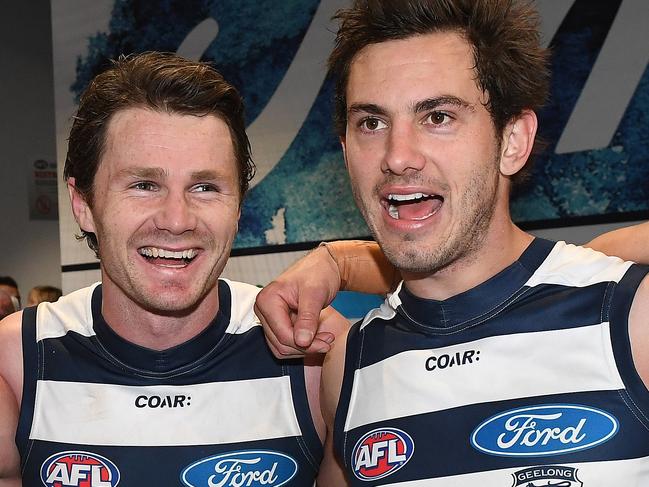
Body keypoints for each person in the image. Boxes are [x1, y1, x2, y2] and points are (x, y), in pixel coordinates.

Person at [256, 1, 649, 485]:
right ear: (344, 149)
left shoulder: (632, 317)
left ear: (512, 140)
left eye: (438, 117)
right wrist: (334, 258)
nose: (397, 156)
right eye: (372, 123)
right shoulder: (348, 364)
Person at [0, 52, 344, 486]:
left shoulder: (314, 350)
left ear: (238, 206)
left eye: (205, 187)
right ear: (83, 204)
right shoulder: (15, 361)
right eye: (144, 185)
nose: (177, 219)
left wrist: (343, 260)